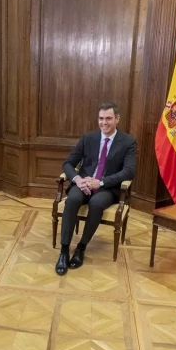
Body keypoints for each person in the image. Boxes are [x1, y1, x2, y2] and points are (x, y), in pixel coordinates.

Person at [56, 102, 136, 275]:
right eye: (101, 118)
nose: (104, 123)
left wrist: (100, 183)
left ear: (117, 119)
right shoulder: (88, 138)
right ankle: (64, 250)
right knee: (73, 200)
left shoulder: (128, 142)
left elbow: (129, 171)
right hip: (84, 182)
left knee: (97, 203)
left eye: (108, 118)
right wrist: (78, 179)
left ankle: (81, 247)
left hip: (107, 187)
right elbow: (68, 163)